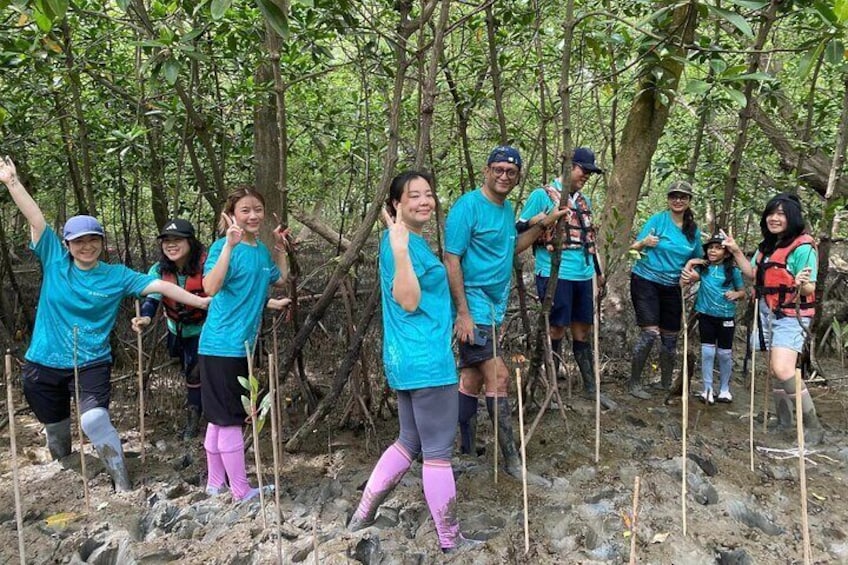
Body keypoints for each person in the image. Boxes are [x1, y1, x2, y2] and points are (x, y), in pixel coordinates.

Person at [0, 156, 211, 492]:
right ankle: (66, 470)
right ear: (67, 245)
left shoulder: (115, 276)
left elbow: (158, 286)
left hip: (90, 362)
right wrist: (12, 182)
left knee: (94, 420)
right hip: (42, 364)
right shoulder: (55, 261)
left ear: (102, 241)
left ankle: (122, 482)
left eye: (93, 239)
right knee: (56, 431)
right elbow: (36, 219)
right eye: (79, 241)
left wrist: (199, 301)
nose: (87, 246)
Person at [349, 171, 477, 553]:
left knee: (408, 441)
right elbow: (407, 299)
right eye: (413, 196)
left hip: (406, 360)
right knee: (438, 452)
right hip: (426, 360)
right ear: (396, 205)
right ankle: (451, 539)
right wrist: (402, 250)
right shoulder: (398, 244)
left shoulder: (408, 242)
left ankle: (362, 514)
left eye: (428, 194)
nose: (424, 201)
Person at [446, 146, 562, 484]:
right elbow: (451, 260)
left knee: (471, 379)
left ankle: (463, 449)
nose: (504, 176)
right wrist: (464, 314)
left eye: (511, 172)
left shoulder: (506, 208)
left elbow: (511, 247)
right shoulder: (467, 207)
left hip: (494, 307)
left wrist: (544, 225)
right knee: (499, 377)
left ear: (518, 176)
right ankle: (512, 462)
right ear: (486, 170)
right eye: (498, 169)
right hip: (474, 306)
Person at [199, 186, 290, 501]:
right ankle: (240, 490)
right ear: (231, 215)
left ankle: (214, 484)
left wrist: (279, 247)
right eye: (245, 210)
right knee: (230, 420)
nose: (253, 216)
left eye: (257, 210)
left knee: (218, 419)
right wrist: (228, 245)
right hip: (223, 345)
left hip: (239, 346)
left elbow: (278, 279)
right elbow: (210, 287)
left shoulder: (261, 250)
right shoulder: (223, 247)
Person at [721, 193, 824, 444]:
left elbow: (809, 288)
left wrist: (800, 284)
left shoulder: (803, 246)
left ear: (792, 217)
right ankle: (784, 420)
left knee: (783, 368)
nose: (775, 218)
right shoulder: (768, 246)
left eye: (781, 214)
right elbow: (753, 273)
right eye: (771, 213)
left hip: (791, 314)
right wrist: (734, 250)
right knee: (774, 370)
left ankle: (813, 427)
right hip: (767, 311)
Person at [517, 147, 607, 402]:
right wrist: (541, 220)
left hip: (583, 273)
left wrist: (598, 273)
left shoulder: (583, 201)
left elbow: (589, 239)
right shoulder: (542, 195)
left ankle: (591, 387)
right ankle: (550, 386)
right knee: (555, 328)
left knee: (582, 330)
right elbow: (519, 227)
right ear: (569, 167)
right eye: (583, 170)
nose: (586, 176)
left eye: (590, 172)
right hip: (555, 272)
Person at [131, 219, 207, 440]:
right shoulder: (158, 269)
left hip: (204, 330)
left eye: (177, 240)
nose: (171, 245)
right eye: (166, 241)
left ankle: (195, 423)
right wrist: (145, 317)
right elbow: (153, 297)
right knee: (188, 371)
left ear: (191, 241)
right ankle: (197, 408)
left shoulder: (206, 265)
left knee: (197, 373)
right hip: (177, 331)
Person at [628, 180, 702, 399]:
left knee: (670, 337)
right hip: (646, 280)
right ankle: (634, 384)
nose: (678, 200)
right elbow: (631, 250)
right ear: (668, 199)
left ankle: (666, 383)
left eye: (683, 197)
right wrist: (644, 243)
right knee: (650, 333)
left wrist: (694, 273)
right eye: (673, 196)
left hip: (673, 285)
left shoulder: (693, 230)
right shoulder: (657, 221)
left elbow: (700, 258)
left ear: (689, 201)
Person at [681, 233, 746, 404]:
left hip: (726, 317)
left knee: (724, 354)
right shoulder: (703, 269)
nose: (713, 251)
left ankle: (724, 389)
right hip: (706, 316)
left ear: (726, 253)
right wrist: (690, 263)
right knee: (707, 353)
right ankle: (707, 389)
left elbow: (743, 293)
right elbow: (683, 282)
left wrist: (735, 294)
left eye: (718, 248)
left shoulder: (734, 272)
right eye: (710, 247)